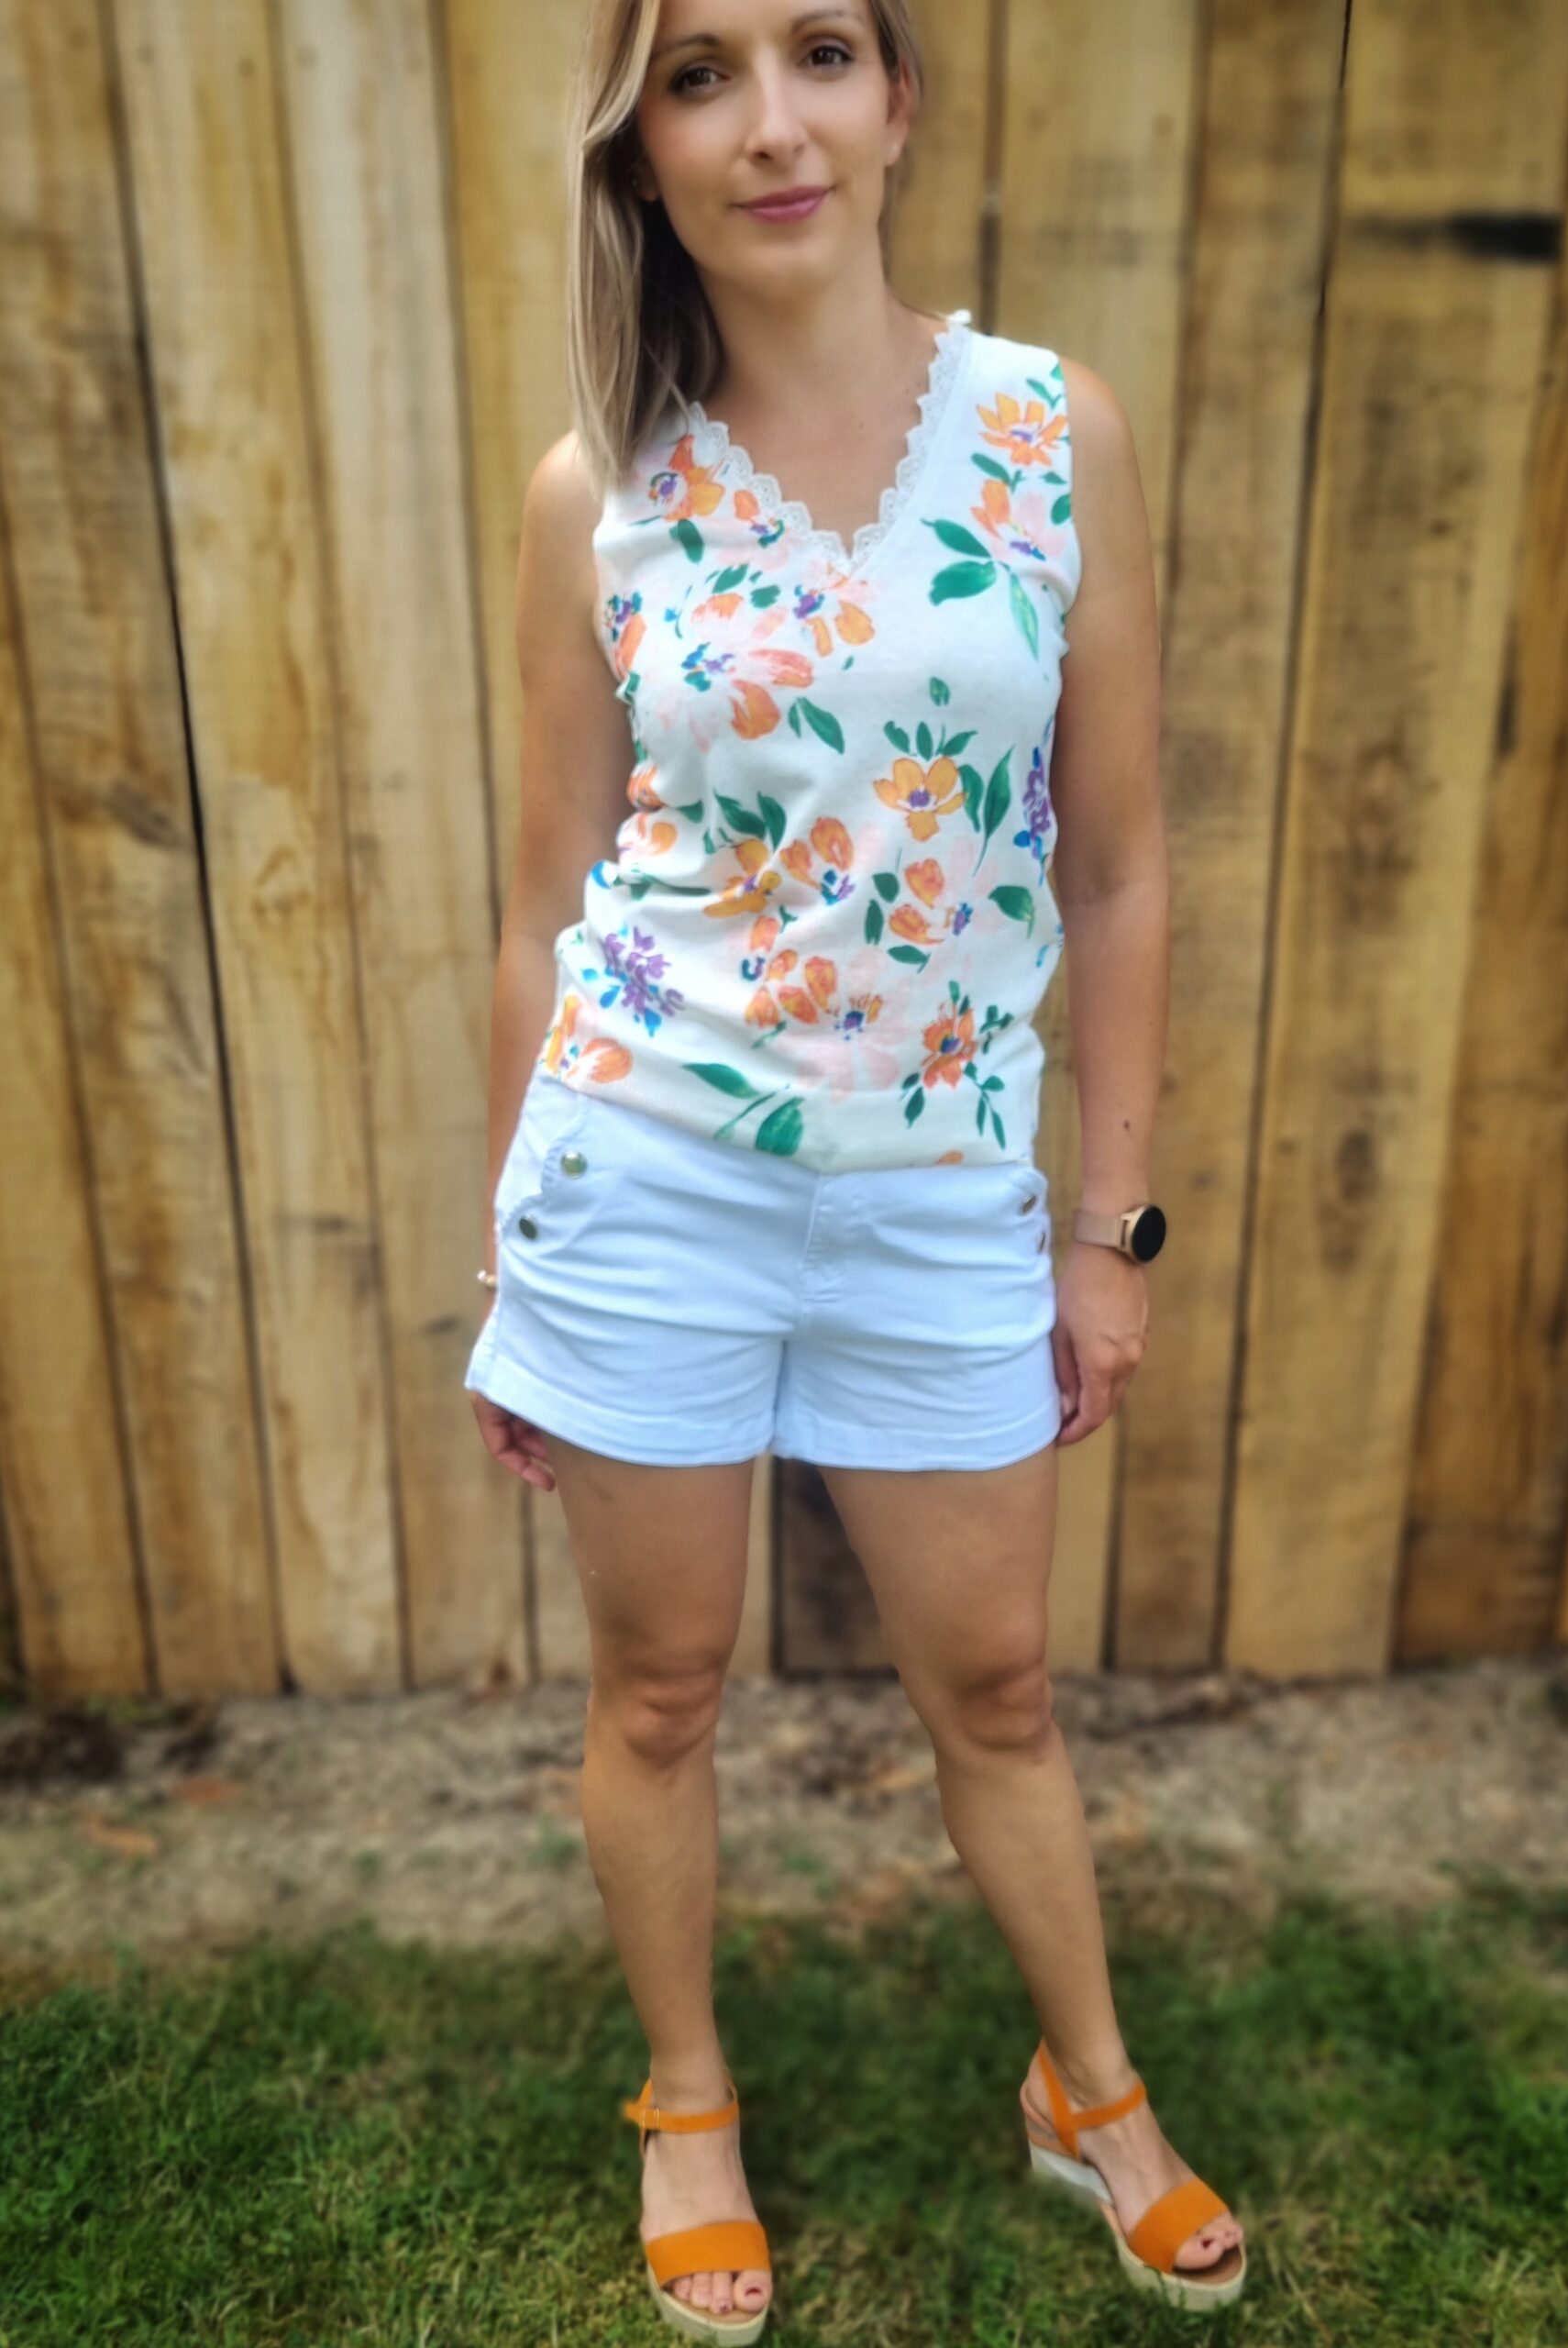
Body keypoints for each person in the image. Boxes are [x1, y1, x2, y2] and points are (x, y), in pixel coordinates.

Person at [465, 0, 1245, 2333]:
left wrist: (1106, 1234)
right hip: (643, 1168)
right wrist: (519, 1258)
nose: (771, 121)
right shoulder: (596, 488)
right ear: (643, 146)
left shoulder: (1049, 432)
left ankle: (1088, 2086)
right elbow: (539, 906)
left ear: (899, 99)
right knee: (660, 1686)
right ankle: (686, 2099)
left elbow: (1118, 866)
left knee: (996, 1683)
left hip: (937, 1186)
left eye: (820, 50)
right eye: (699, 73)